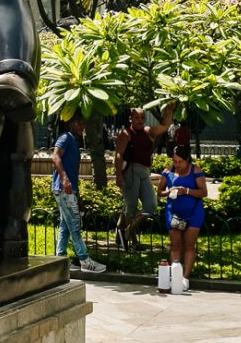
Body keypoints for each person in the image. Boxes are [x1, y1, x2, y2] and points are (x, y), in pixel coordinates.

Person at [115, 103, 175, 250]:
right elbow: (118, 155)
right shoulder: (126, 134)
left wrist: (170, 108)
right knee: (131, 207)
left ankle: (125, 231)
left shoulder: (148, 131)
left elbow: (165, 126)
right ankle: (132, 241)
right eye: (137, 117)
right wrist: (118, 176)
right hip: (131, 171)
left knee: (151, 205)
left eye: (142, 117)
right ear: (131, 119)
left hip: (145, 171)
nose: (140, 120)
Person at [52, 116, 106, 274]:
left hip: (68, 189)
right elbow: (55, 156)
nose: (81, 125)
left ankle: (60, 260)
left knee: (66, 226)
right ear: (70, 123)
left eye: (82, 123)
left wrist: (77, 195)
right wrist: (64, 179)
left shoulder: (75, 141)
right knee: (75, 224)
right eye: (77, 122)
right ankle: (84, 260)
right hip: (63, 188)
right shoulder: (65, 137)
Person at [157, 144, 207, 292]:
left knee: (189, 244)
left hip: (194, 211)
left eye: (180, 162)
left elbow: (203, 192)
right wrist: (169, 192)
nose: (177, 165)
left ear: (187, 160)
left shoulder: (195, 170)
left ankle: (185, 277)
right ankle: (175, 276)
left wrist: (186, 191)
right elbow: (160, 192)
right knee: (175, 244)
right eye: (175, 161)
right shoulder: (168, 171)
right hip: (174, 211)